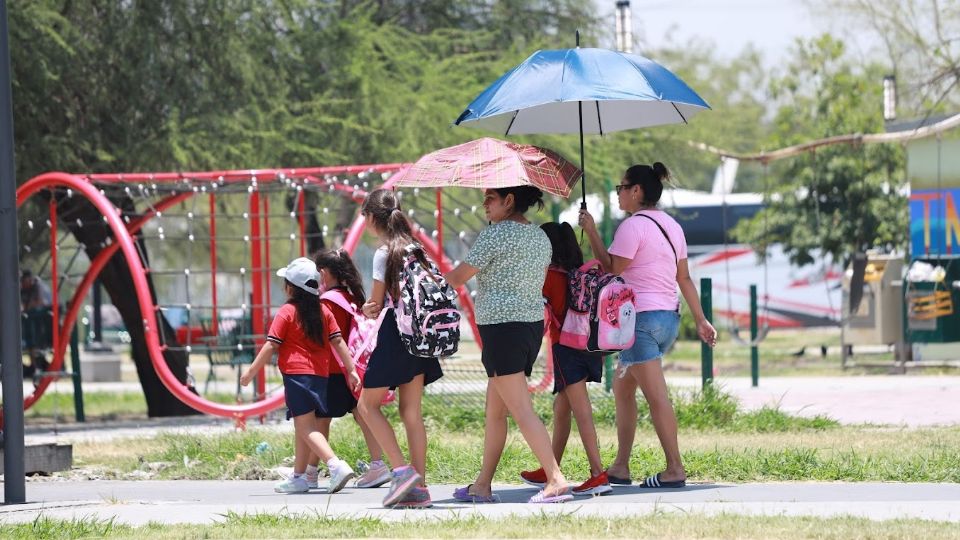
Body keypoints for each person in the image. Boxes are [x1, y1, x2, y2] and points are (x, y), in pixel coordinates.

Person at [579, 162, 717, 489]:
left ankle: (674, 468)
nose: (618, 194)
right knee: (623, 388)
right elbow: (683, 277)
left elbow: (612, 268)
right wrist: (700, 319)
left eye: (620, 188)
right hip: (667, 319)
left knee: (657, 397)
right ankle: (621, 466)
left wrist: (593, 231)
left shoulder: (632, 226)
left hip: (638, 322)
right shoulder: (673, 227)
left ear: (636, 191)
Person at [445, 186, 573, 504]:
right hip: (529, 329)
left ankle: (555, 479)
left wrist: (426, 280)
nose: (484, 204)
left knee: (520, 410)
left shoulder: (495, 235)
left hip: (502, 331)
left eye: (490, 199)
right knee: (495, 412)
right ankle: (482, 484)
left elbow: (459, 277)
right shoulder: (540, 238)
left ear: (509, 201)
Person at [240, 257, 358, 494]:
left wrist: (251, 372)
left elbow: (271, 346)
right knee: (304, 425)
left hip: (296, 375)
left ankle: (336, 465)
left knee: (305, 428)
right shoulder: (324, 311)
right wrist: (352, 369)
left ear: (290, 287)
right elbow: (339, 342)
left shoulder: (287, 312)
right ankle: (299, 477)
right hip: (320, 376)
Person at [357, 189, 444, 509]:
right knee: (412, 412)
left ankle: (400, 470)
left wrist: (367, 308)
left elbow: (377, 303)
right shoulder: (417, 248)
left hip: (397, 333)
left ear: (370, 218)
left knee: (367, 405)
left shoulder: (385, 253)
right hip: (421, 334)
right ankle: (419, 487)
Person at [518, 222, 611, 496]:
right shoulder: (579, 273)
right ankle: (550, 468)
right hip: (590, 346)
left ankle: (598, 474)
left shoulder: (550, 276)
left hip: (565, 347)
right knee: (563, 407)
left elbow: (543, 311)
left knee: (581, 411)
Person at [309, 248, 390, 489]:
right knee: (362, 414)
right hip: (353, 369)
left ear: (323, 273)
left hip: (333, 370)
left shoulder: (327, 302)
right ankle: (378, 464)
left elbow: (327, 338)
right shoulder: (352, 297)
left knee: (320, 421)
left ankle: (311, 472)